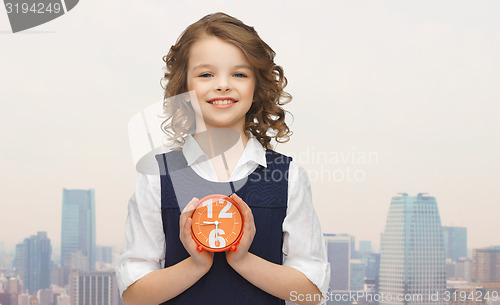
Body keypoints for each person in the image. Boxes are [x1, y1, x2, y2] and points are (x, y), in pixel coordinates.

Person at [116, 12, 329, 305]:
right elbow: (134, 296)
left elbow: (311, 292)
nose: (223, 85)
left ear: (257, 87)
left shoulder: (288, 176)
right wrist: (197, 263)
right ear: (184, 88)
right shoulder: (157, 176)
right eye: (206, 74)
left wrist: (242, 260)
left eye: (239, 74)